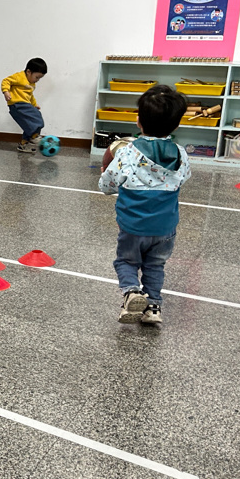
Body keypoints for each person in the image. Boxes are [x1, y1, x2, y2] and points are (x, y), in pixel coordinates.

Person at [98, 84, 191, 326]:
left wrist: (104, 173)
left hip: (133, 226)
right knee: (156, 265)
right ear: (176, 125)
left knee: (126, 261)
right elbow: (184, 178)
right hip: (165, 227)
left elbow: (107, 185)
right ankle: (153, 307)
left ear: (138, 121)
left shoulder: (127, 153)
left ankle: (131, 292)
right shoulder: (180, 153)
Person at [1, 57, 47, 154]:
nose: (37, 80)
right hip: (17, 104)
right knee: (37, 116)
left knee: (28, 123)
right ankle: (34, 136)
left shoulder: (32, 84)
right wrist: (6, 91)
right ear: (29, 72)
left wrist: (34, 104)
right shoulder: (19, 76)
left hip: (24, 104)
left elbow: (30, 96)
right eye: (37, 77)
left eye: (39, 78)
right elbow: (6, 81)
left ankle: (24, 144)